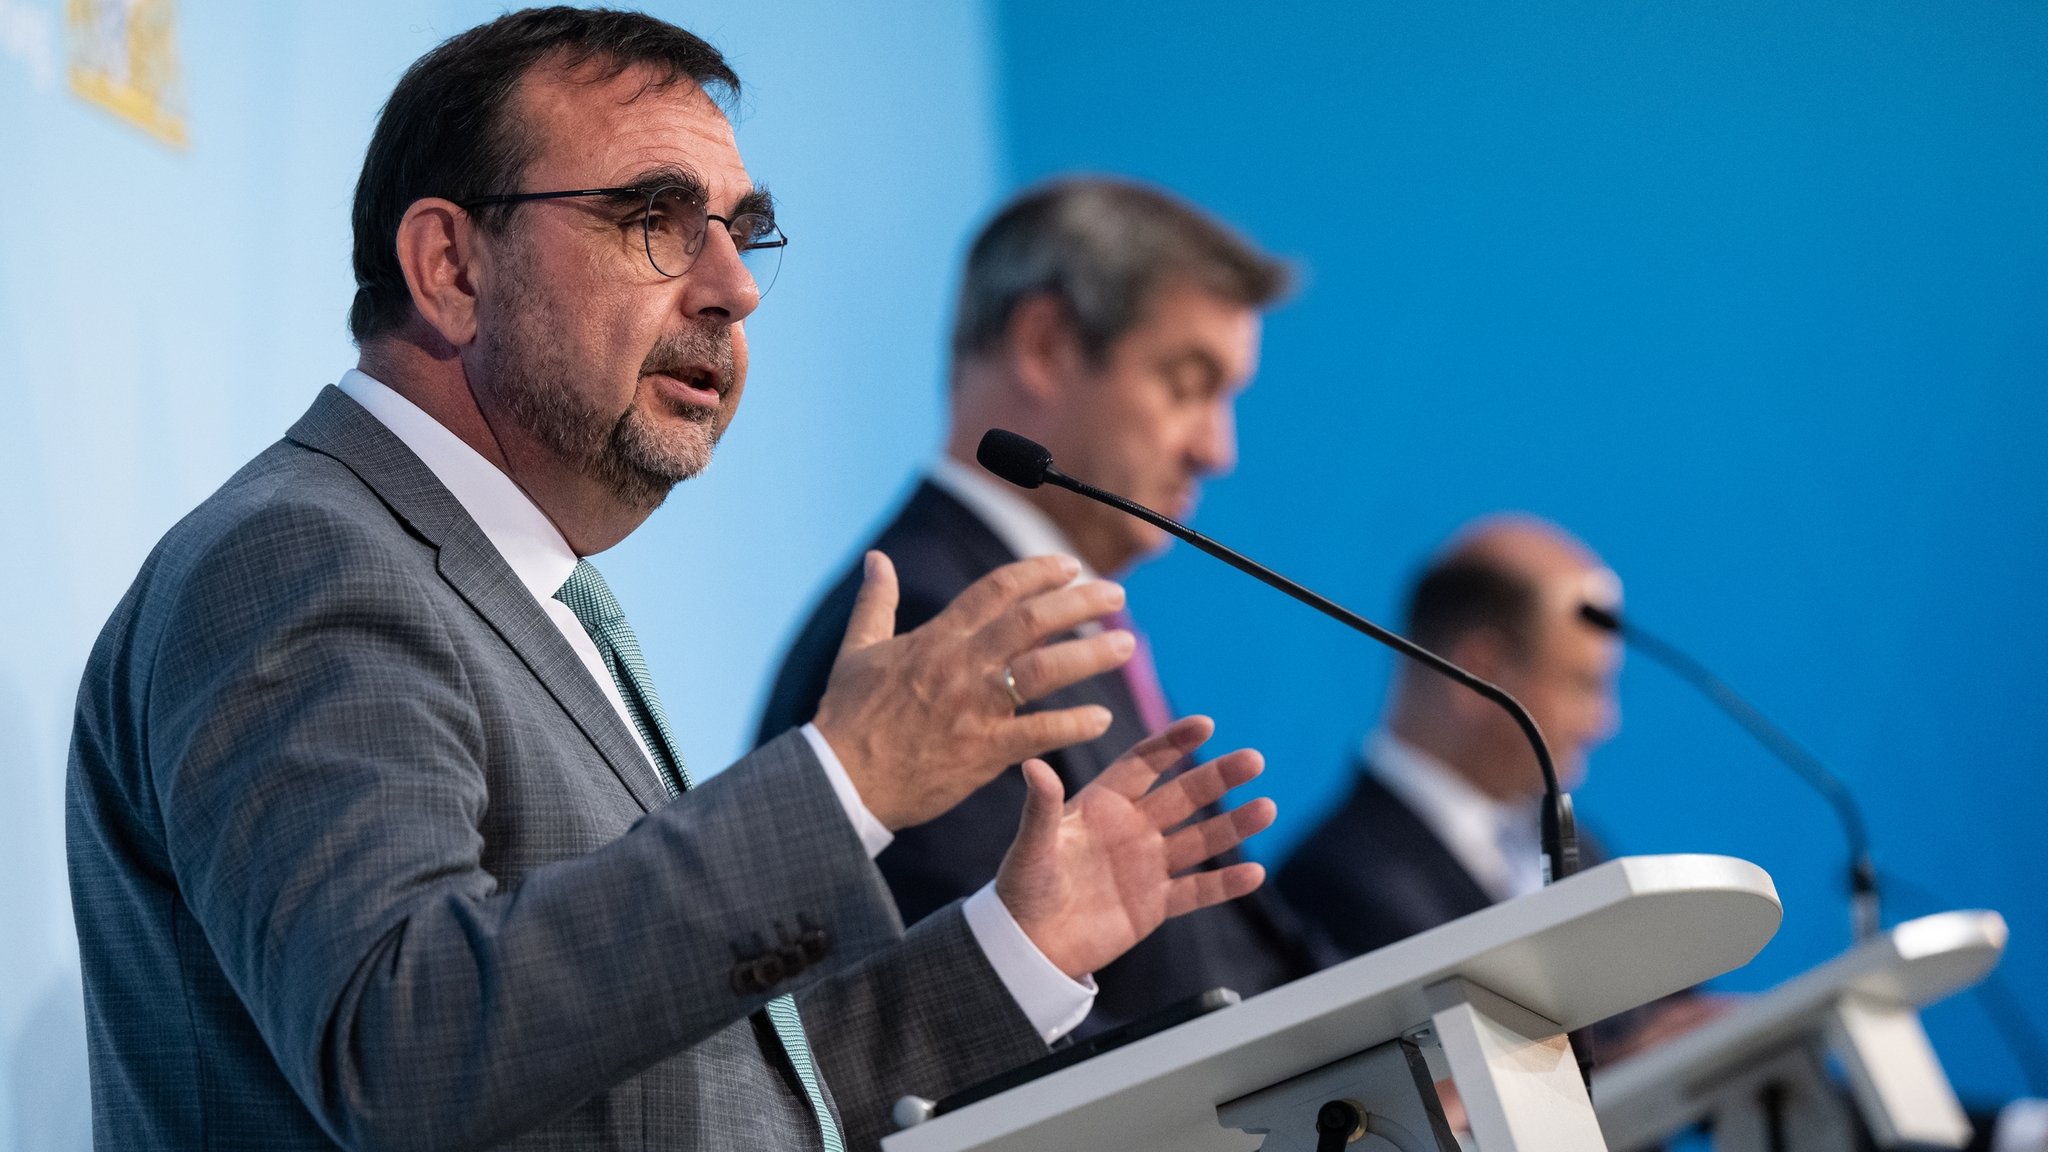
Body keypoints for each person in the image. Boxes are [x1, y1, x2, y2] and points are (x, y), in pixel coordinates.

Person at [65, 10, 1275, 1150]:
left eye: (741, 233)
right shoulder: (302, 555)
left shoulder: (535, 596)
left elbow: (717, 1103)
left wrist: (1018, 945)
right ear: (449, 266)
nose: (734, 287)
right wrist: (840, 782)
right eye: (654, 215)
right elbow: (402, 1045)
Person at [760, 178, 1336, 1038]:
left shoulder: (1054, 615)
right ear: (1045, 344)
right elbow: (976, 1031)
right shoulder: (928, 627)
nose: (1218, 449)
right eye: (1188, 385)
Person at [1275, 515, 1711, 1058]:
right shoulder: (1330, 882)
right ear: (1478, 671)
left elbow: (1672, 1020)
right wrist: (1627, 1075)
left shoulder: (1579, 842)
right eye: (1583, 684)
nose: (1605, 721)